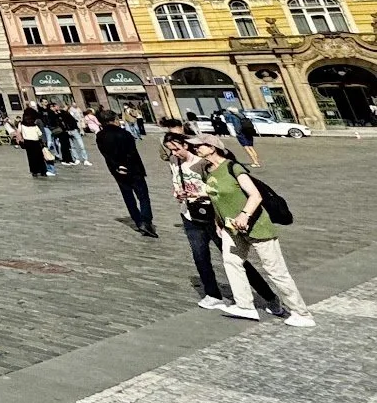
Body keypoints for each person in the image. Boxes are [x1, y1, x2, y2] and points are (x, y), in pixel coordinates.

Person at [161, 134, 286, 316]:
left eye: (176, 148)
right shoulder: (174, 161)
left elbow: (220, 188)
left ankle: (269, 296)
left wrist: (201, 194)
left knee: (235, 258)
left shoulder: (203, 162)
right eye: (170, 150)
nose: (174, 153)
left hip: (214, 215)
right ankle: (213, 294)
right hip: (189, 213)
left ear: (186, 145)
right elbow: (177, 182)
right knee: (200, 256)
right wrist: (179, 194)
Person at [195, 139, 314, 327]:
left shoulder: (233, 168)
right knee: (232, 262)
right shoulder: (207, 171)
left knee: (276, 271)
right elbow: (216, 197)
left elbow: (255, 195)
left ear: (213, 148)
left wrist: (245, 215)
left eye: (199, 146)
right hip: (231, 228)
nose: (196, 149)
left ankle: (302, 313)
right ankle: (244, 305)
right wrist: (218, 221)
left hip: (256, 225)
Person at [94, 109, 157, 237]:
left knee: (128, 197)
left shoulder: (100, 136)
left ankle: (138, 221)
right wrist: (126, 165)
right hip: (133, 169)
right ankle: (146, 221)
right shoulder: (124, 134)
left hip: (117, 171)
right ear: (115, 120)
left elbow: (106, 154)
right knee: (143, 196)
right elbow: (131, 153)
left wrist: (117, 166)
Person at [15, 107, 53, 178]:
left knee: (31, 157)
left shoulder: (21, 124)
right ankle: (43, 171)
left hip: (27, 142)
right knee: (39, 157)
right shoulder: (34, 124)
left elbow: (18, 132)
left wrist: (20, 140)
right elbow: (40, 134)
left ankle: (34, 171)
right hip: (36, 142)